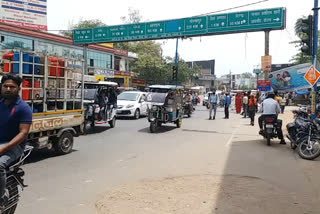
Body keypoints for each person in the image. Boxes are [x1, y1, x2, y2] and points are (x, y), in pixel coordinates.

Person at [0, 74, 32, 207]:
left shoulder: (23, 108)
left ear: (18, 88)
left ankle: (1, 197)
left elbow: (23, 133)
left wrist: (3, 148)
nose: (8, 89)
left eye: (12, 87)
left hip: (14, 146)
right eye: (5, 86)